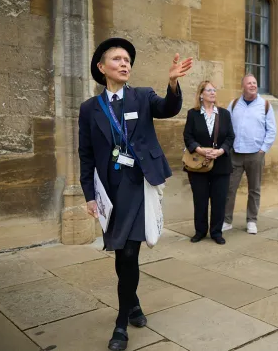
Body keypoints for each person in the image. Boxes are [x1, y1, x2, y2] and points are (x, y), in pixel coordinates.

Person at [78, 37, 192, 350]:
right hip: (111, 190)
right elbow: (85, 154)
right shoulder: (89, 109)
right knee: (120, 251)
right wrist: (89, 194)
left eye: (127, 59)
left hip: (139, 184)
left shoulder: (142, 96)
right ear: (101, 68)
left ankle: (120, 324)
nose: (124, 63)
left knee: (130, 251)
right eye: (117, 59)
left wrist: (172, 83)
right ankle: (133, 302)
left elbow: (168, 108)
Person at [222, 74, 277, 234]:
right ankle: (226, 220)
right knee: (229, 189)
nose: (253, 85)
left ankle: (251, 221)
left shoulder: (265, 105)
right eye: (249, 83)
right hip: (235, 154)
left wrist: (262, 150)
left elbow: (271, 130)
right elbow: (225, 127)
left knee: (254, 190)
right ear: (243, 86)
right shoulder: (233, 105)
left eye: (255, 82)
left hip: (255, 154)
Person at [183, 81, 235, 245]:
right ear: (201, 94)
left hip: (221, 164)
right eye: (209, 90)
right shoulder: (193, 114)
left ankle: (216, 232)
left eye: (214, 90)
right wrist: (200, 150)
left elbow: (230, 137)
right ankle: (200, 231)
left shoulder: (224, 114)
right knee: (200, 200)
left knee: (219, 201)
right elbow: (188, 136)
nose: (213, 93)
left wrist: (220, 151)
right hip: (199, 165)